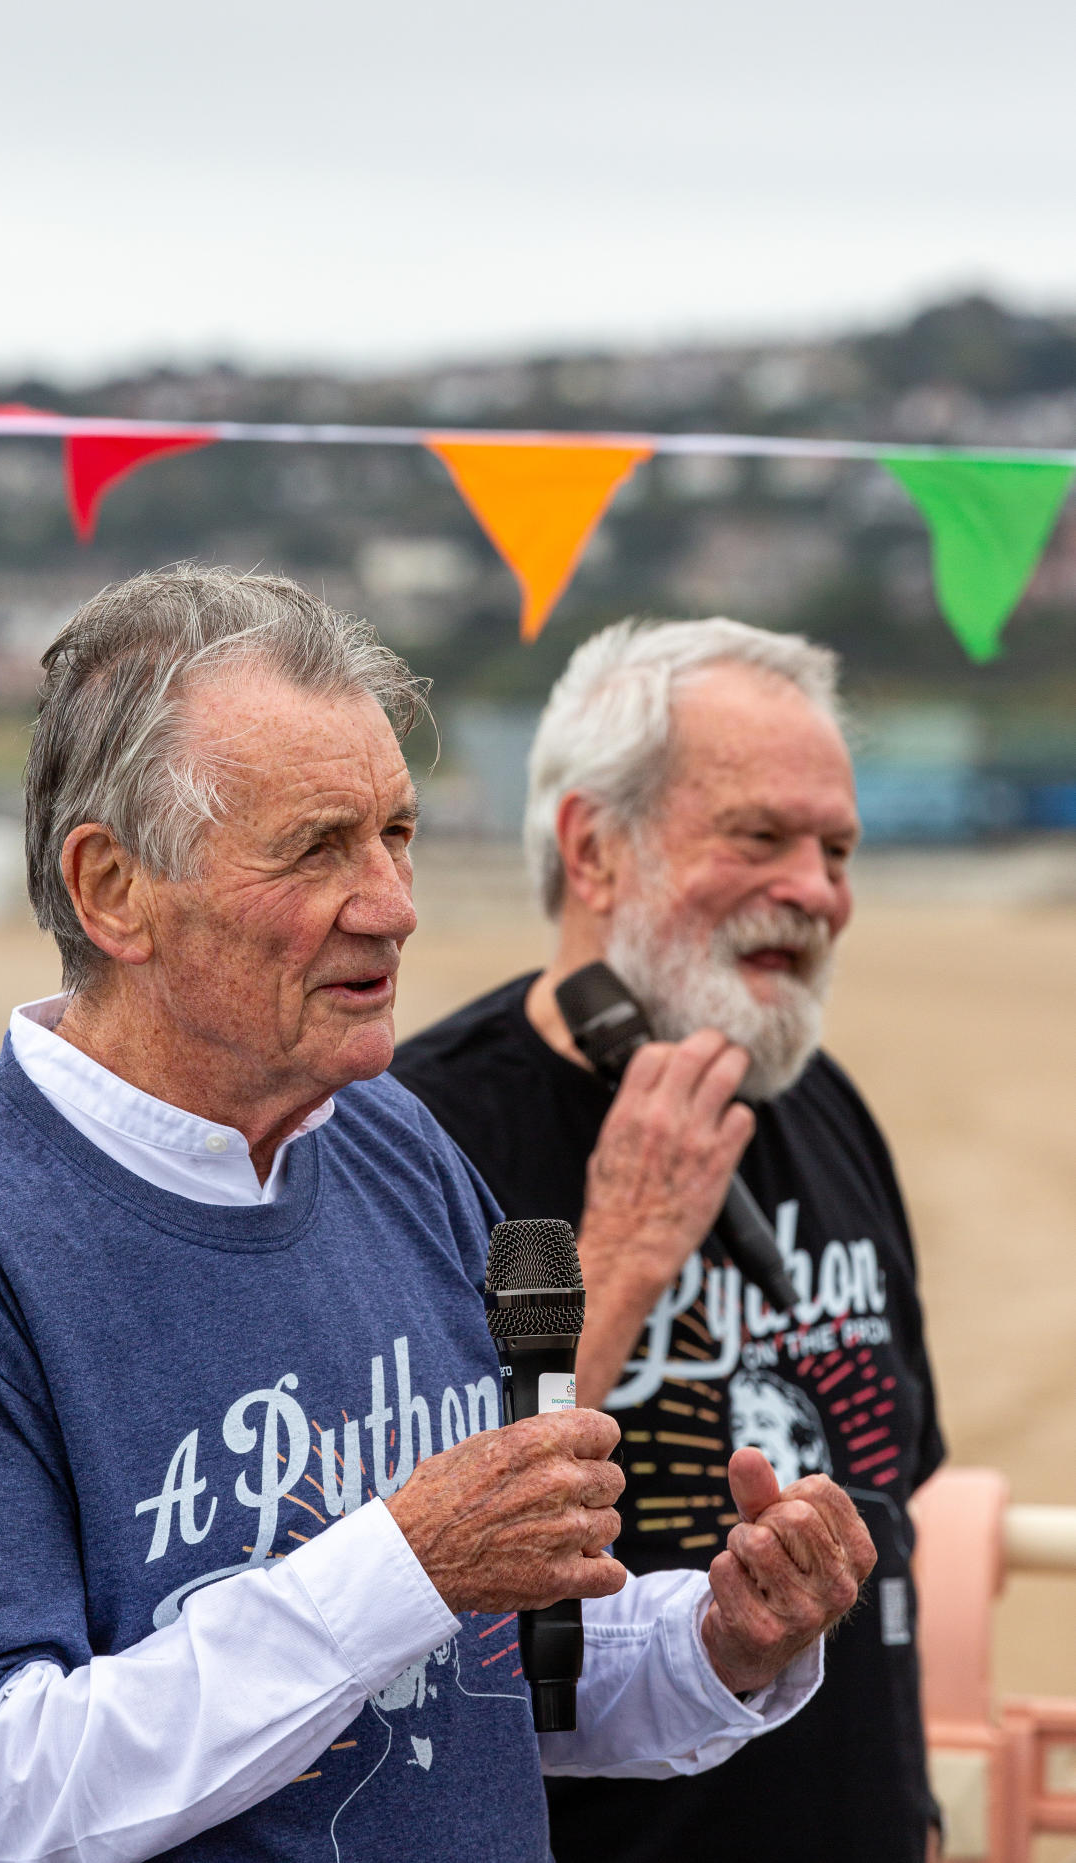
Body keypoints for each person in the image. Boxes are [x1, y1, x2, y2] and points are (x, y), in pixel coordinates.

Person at [0, 572, 875, 1863]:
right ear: (112, 888)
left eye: (397, 831)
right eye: (318, 846)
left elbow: (492, 1677)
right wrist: (405, 1557)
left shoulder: (395, 1143)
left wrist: (719, 1642)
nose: (393, 901)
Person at [392, 617, 944, 1863]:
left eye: (838, 848)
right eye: (759, 837)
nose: (816, 890)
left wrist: (911, 1804)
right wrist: (626, 1250)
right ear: (593, 848)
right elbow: (381, 1565)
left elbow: (901, 1498)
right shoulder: (419, 1138)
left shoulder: (825, 1104)